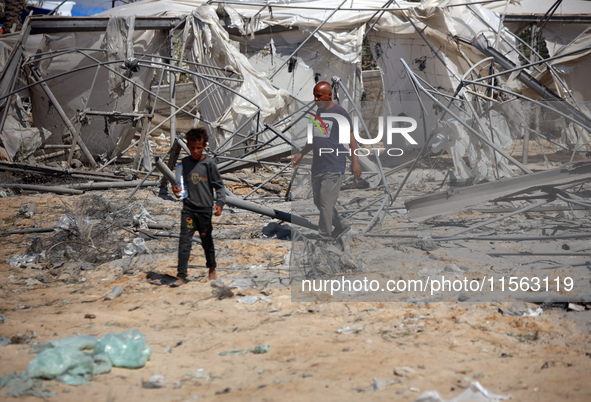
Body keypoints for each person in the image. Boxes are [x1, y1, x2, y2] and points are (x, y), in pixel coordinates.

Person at [291, 81, 362, 242]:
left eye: (319, 96)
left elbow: (352, 139)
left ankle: (324, 238)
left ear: (329, 95)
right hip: (318, 166)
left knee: (325, 203)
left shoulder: (340, 113)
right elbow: (314, 138)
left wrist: (355, 162)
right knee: (320, 201)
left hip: (334, 166)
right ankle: (342, 226)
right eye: (314, 96)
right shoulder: (318, 112)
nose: (316, 99)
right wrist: (301, 154)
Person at [171, 127, 226, 287]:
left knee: (206, 240)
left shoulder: (209, 164)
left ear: (204, 146)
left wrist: (220, 204)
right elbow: (180, 185)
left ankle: (212, 269)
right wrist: (176, 190)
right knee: (184, 241)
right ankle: (181, 276)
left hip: (204, 211)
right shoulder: (185, 163)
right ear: (188, 145)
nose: (195, 151)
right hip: (189, 211)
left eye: (199, 148)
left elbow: (219, 187)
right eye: (192, 147)